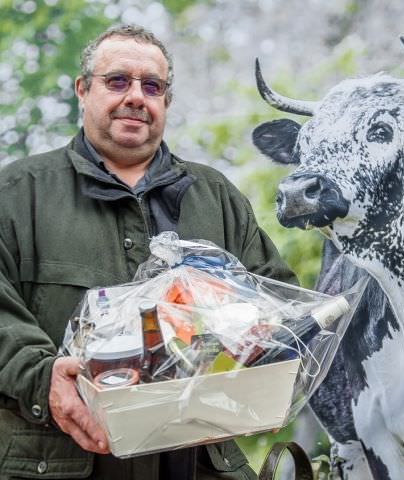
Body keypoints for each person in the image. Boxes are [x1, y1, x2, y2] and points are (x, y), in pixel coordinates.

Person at [0, 24, 296, 480]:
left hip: (200, 465)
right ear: (82, 90)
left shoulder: (216, 197)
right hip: (58, 462)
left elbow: (279, 304)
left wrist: (247, 343)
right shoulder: (17, 195)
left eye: (151, 86)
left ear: (166, 101)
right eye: (117, 81)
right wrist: (44, 379)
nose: (136, 96)